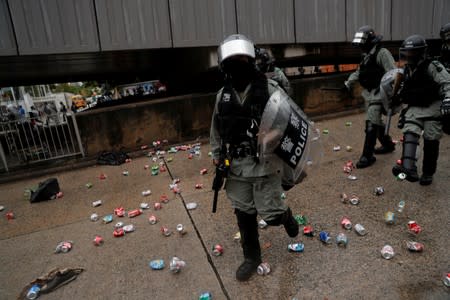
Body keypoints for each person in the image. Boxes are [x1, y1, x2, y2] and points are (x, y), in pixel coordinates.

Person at [210, 34, 299, 281]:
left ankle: (285, 215)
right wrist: (217, 158)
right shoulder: (222, 96)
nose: (238, 64)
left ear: (251, 61)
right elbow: (216, 130)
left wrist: (273, 140)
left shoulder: (269, 89)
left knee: (270, 216)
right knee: (243, 213)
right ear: (225, 65)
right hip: (236, 167)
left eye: (243, 59)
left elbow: (289, 123)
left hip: (264, 165)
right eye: (233, 60)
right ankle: (251, 257)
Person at [392, 35, 450, 185]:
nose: (408, 56)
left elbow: (447, 82)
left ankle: (428, 173)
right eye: (406, 52)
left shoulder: (432, 65)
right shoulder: (407, 70)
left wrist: (448, 100)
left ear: (420, 52)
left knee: (431, 140)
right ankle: (408, 168)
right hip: (415, 108)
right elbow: (405, 89)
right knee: (410, 132)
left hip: (433, 107)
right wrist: (397, 98)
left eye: (411, 53)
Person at [344, 26, 397, 168]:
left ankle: (367, 157)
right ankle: (388, 145)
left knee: (371, 122)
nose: (360, 46)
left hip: (380, 93)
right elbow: (359, 72)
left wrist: (391, 95)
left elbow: (393, 73)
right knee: (375, 121)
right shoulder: (366, 55)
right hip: (369, 93)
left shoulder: (382, 53)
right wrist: (348, 83)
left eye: (362, 43)